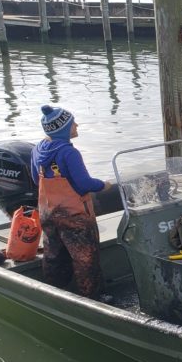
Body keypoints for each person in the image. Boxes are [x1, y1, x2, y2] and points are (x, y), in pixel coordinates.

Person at [31, 105, 111, 299]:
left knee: (53, 256)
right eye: (72, 123)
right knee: (86, 258)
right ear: (64, 128)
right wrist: (103, 185)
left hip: (48, 213)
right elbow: (84, 185)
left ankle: (57, 295)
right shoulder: (69, 152)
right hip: (73, 216)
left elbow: (36, 179)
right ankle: (92, 298)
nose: (76, 125)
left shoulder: (37, 149)